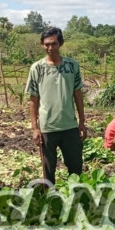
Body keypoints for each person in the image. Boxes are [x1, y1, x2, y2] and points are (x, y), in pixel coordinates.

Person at [26, 27, 87, 185]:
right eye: (46, 44)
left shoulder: (72, 66)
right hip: (47, 127)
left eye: (54, 44)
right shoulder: (37, 68)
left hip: (69, 125)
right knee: (48, 171)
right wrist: (35, 127)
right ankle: (51, 201)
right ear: (42, 44)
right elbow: (33, 99)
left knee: (75, 167)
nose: (50, 48)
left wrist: (82, 122)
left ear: (61, 43)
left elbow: (78, 94)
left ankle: (76, 198)